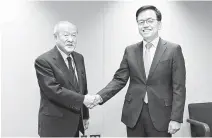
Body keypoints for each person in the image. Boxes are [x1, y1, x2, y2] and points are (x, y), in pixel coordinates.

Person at [89, 5, 186, 137]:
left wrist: (176, 118)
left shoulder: (173, 50)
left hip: (161, 114)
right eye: (141, 22)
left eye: (150, 21)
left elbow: (179, 87)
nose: (145, 25)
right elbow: (119, 79)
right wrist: (99, 97)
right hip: (134, 114)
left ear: (159, 24)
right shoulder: (130, 50)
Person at [34, 21, 95, 137]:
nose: (70, 39)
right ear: (55, 37)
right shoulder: (43, 61)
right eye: (66, 35)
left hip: (75, 123)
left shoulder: (79, 58)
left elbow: (82, 88)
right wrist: (83, 99)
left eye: (74, 35)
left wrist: (85, 115)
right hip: (54, 125)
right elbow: (54, 91)